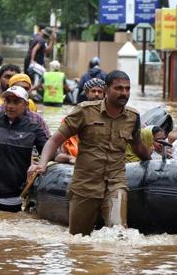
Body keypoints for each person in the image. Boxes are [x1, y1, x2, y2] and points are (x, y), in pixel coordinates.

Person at [29, 70, 151, 235]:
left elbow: (137, 147)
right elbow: (54, 140)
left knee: (119, 233)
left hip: (116, 183)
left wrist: (153, 161)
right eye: (119, 88)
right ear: (106, 90)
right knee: (79, 239)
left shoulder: (133, 117)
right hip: (85, 185)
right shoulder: (84, 111)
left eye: (127, 89)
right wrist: (42, 164)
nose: (124, 93)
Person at [56, 78, 106, 164]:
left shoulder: (109, 115)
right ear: (87, 93)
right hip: (76, 155)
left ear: (104, 94)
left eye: (99, 91)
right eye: (93, 91)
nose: (96, 94)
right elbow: (59, 142)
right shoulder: (77, 112)